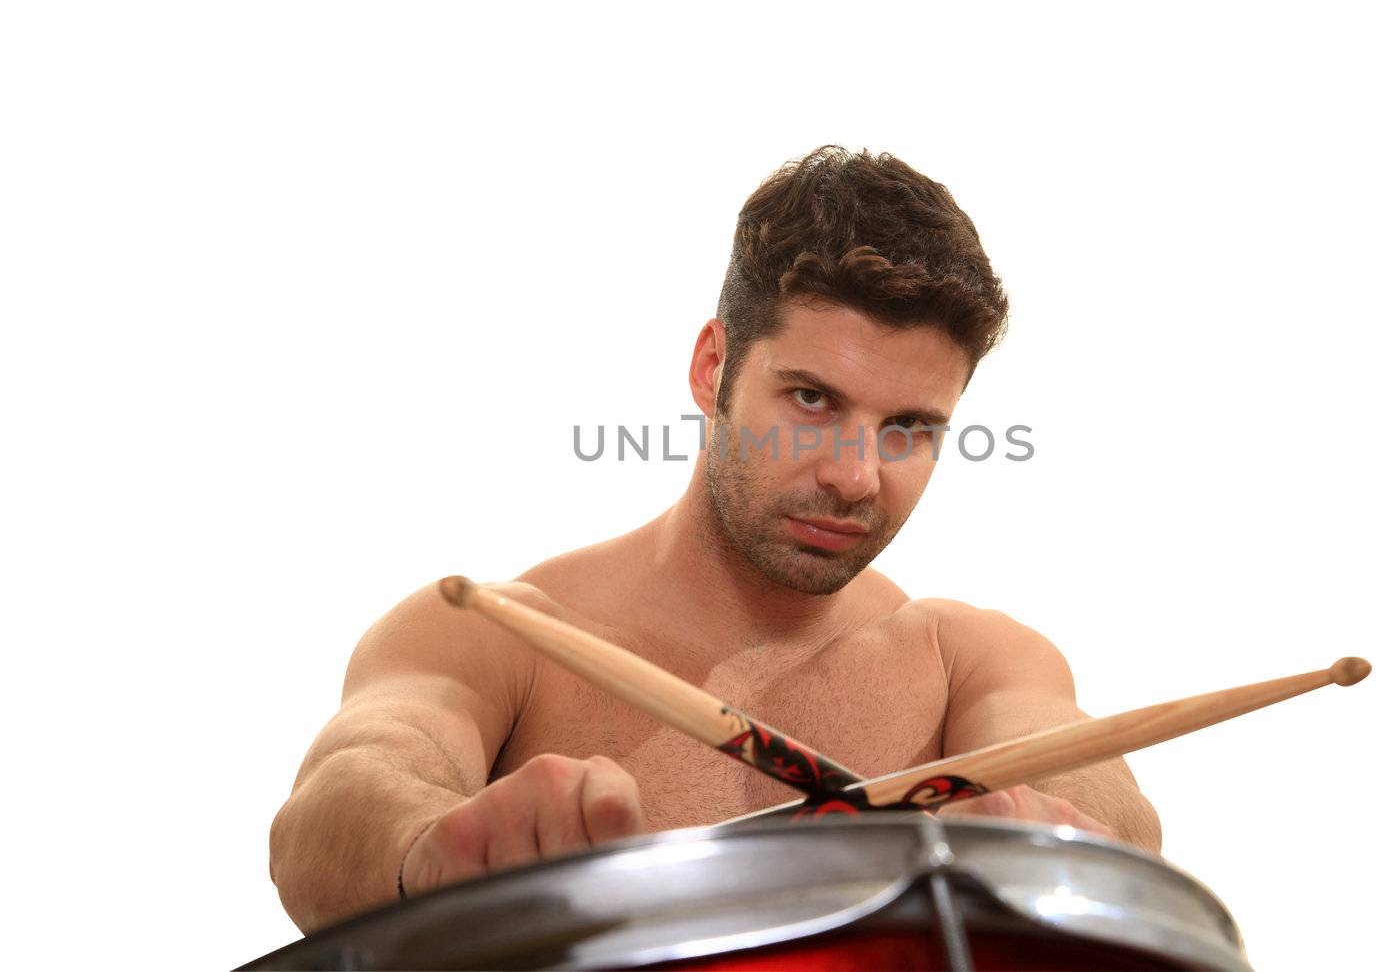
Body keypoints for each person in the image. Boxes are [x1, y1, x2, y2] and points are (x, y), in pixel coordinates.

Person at [268, 146, 1161, 933]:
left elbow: (1106, 809)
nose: (856, 475)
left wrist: (1067, 842)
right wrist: (429, 847)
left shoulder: (967, 663)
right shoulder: (503, 634)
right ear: (712, 367)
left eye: (910, 428)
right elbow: (339, 799)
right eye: (812, 399)